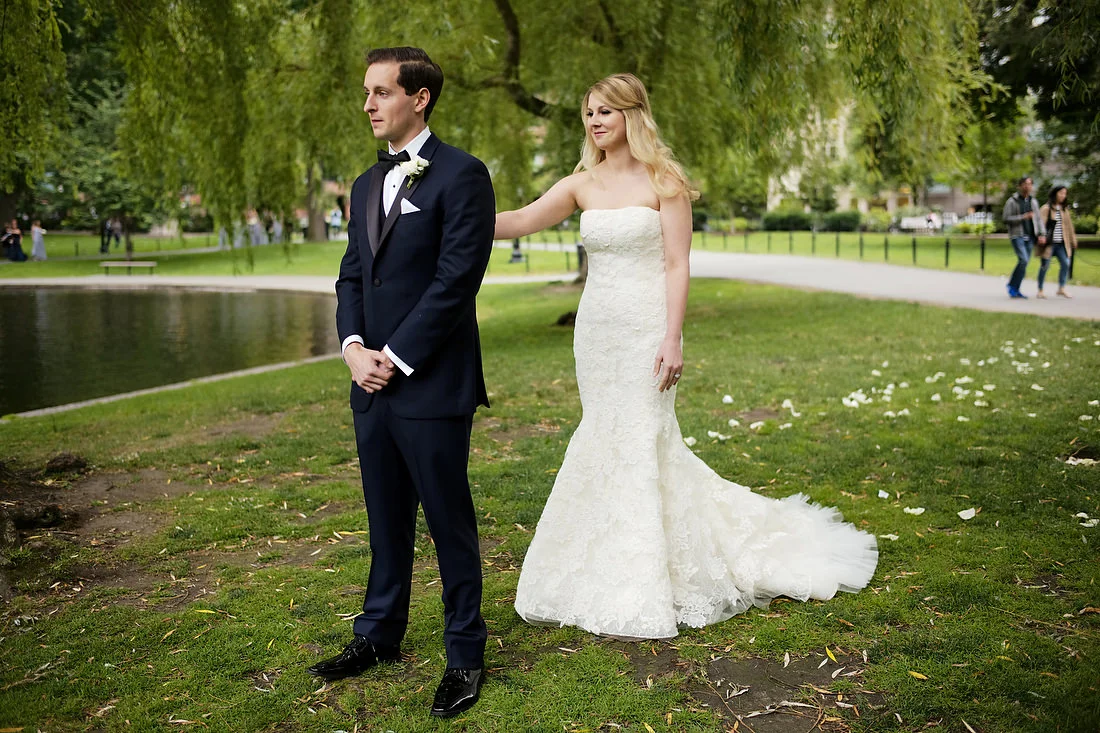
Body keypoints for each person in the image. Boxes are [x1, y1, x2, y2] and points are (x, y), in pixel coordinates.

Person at [495, 73, 878, 640]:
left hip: (648, 328)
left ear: (632, 115)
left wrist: (672, 336)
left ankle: (651, 571)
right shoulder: (580, 184)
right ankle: (603, 562)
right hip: (597, 333)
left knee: (643, 436)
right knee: (604, 433)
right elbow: (517, 222)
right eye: (589, 112)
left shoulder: (664, 181)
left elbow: (677, 264)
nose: (595, 121)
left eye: (606, 111)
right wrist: (447, 211)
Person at [311, 46, 495, 719]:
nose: (368, 104)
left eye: (382, 92)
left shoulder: (464, 175)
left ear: (420, 98)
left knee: (449, 522)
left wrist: (396, 355)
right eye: (366, 92)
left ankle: (465, 652)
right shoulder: (365, 184)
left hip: (432, 383)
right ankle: (378, 633)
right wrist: (354, 348)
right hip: (369, 383)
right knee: (385, 518)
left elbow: (456, 281)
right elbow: (352, 276)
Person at [1002, 176, 1045, 299]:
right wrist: (1023, 217)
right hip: (1017, 235)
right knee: (1023, 260)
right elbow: (1005, 218)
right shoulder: (1012, 201)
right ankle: (1012, 286)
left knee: (1024, 263)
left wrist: (1041, 234)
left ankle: (1015, 288)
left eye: (1030, 184)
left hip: (1030, 236)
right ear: (1020, 186)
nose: (1027, 186)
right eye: (1025, 184)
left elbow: (1038, 219)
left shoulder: (1033, 202)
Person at [1036, 185, 1076, 299]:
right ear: (1055, 194)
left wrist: (1073, 240)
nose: (1063, 196)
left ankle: (1061, 288)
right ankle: (1040, 289)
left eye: (1065, 193)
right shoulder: (1046, 208)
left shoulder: (1064, 210)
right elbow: (1040, 224)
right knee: (1045, 265)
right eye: (1061, 193)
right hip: (1049, 243)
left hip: (1061, 243)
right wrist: (1041, 236)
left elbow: (1069, 227)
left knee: (1066, 264)